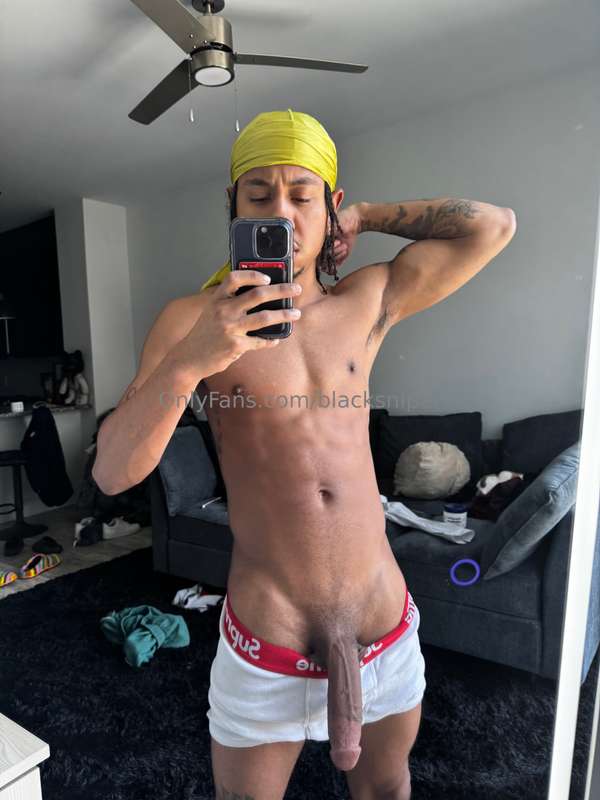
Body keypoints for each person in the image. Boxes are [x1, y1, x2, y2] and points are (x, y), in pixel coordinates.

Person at [93, 108, 516, 800]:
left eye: (302, 195)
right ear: (232, 207)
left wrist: (370, 216)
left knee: (387, 789)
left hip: (383, 627)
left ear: (330, 208)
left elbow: (494, 226)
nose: (282, 214)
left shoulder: (368, 299)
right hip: (268, 638)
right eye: (258, 196)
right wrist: (192, 360)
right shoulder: (190, 320)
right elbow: (113, 471)